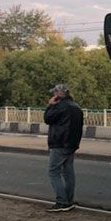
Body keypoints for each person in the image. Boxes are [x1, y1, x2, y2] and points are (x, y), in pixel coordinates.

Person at [44, 84, 84, 212]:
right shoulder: (76, 107)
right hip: (72, 144)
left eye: (54, 93)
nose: (53, 96)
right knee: (68, 172)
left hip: (59, 143)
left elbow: (47, 119)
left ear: (59, 94)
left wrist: (50, 105)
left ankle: (61, 201)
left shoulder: (59, 106)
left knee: (54, 172)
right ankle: (69, 201)